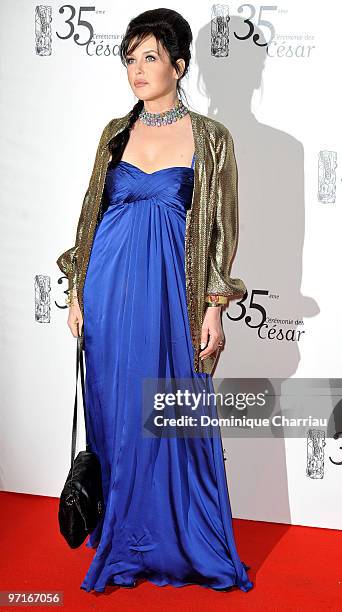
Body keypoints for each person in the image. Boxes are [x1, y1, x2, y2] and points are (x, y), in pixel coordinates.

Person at [57, 8, 253, 594]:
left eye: (149, 57)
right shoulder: (114, 133)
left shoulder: (212, 139)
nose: (136, 70)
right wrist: (75, 291)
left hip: (172, 295)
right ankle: (122, 531)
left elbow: (220, 228)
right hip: (108, 293)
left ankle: (174, 535)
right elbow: (91, 215)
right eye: (129, 58)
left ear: (179, 65)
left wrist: (214, 304)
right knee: (117, 414)